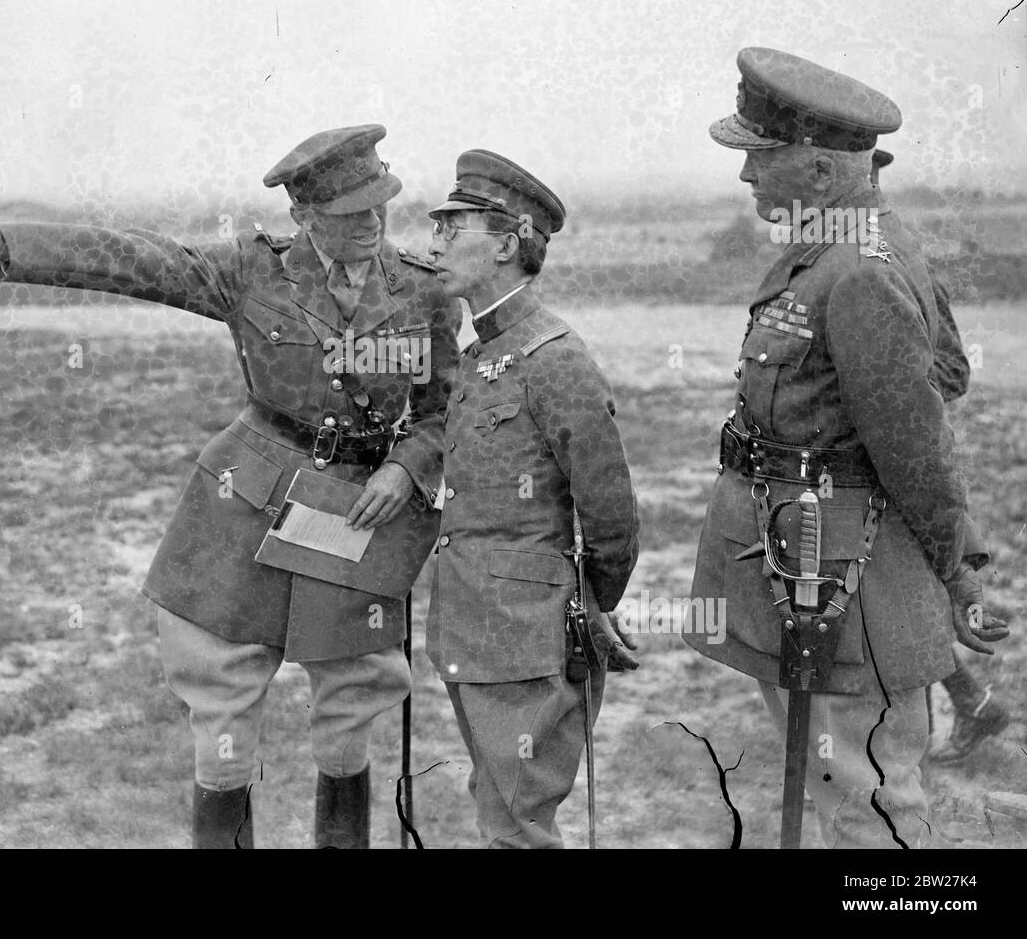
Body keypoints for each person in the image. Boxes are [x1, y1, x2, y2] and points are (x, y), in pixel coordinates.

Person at [0, 124, 461, 848]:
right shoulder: (253, 274)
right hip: (249, 503)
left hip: (356, 513)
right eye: (349, 217)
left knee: (352, 705)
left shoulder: (425, 295)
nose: (371, 227)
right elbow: (137, 259)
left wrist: (407, 466)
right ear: (303, 217)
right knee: (224, 702)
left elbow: (439, 412)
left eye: (380, 208)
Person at [684, 48, 1009, 848]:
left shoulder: (858, 268)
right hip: (808, 552)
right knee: (842, 788)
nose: (746, 176)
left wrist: (955, 573)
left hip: (843, 570)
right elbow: (938, 375)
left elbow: (915, 442)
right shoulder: (838, 244)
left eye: (761, 156)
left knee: (867, 807)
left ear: (823, 173)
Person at [423, 149, 640, 848]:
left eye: (454, 229)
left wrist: (591, 601)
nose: (436, 244)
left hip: (524, 635)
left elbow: (609, 513)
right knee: (500, 812)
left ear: (509, 243)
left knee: (518, 826)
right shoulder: (481, 350)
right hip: (477, 628)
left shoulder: (555, 359)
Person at [872, 148, 1011, 764]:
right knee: (894, 601)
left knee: (907, 600)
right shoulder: (833, 264)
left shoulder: (902, 267)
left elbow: (953, 370)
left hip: (904, 467)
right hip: (871, 469)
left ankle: (952, 718)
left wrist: (891, 391)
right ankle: (970, 705)